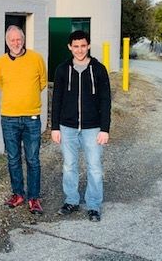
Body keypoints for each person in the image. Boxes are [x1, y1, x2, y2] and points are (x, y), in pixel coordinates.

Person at [50, 30, 111, 222]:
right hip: (67, 127)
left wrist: (105, 129)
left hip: (92, 128)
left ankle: (93, 205)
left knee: (94, 167)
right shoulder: (62, 69)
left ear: (89, 46)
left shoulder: (99, 69)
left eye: (83, 46)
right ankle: (71, 200)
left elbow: (105, 100)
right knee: (70, 166)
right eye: (75, 46)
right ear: (70, 47)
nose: (79, 50)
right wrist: (55, 127)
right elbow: (57, 99)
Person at [0, 25, 47, 214]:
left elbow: (42, 83)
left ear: (23, 40)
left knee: (33, 159)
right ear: (7, 42)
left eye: (18, 39)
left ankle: (34, 198)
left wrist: (28, 100)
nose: (16, 43)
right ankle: (18, 194)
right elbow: (2, 84)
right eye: (12, 40)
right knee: (13, 158)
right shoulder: (0, 63)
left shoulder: (36, 58)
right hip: (9, 117)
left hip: (32, 117)